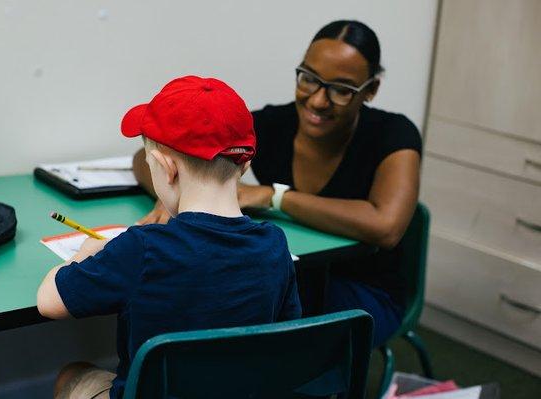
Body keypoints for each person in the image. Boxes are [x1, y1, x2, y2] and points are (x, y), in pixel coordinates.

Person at [133, 20, 421, 348]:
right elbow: (148, 156)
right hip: (291, 277)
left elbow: (387, 225)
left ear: (370, 90)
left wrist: (274, 197)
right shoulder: (273, 124)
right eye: (309, 79)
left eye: (341, 90)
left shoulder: (394, 134)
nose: (317, 101)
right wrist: (176, 192)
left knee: (256, 326)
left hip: (364, 291)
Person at [37, 76, 301, 399]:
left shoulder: (142, 248)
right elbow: (286, 337)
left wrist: (86, 254)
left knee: (70, 376)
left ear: (166, 168)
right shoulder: (274, 244)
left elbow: (48, 301)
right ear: (244, 165)